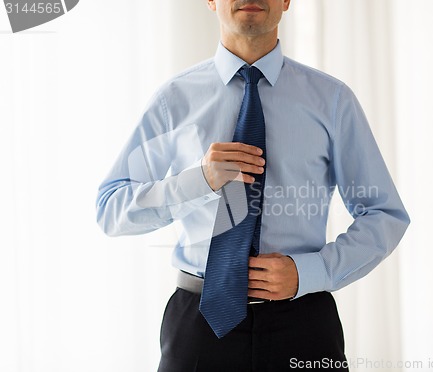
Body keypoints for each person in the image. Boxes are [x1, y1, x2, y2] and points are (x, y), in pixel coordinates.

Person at [96, 0, 410, 370]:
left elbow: (384, 215)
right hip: (199, 327)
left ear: (287, 1)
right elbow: (111, 210)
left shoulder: (332, 101)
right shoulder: (173, 101)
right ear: (210, 1)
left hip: (303, 324)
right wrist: (198, 181)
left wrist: (310, 271)